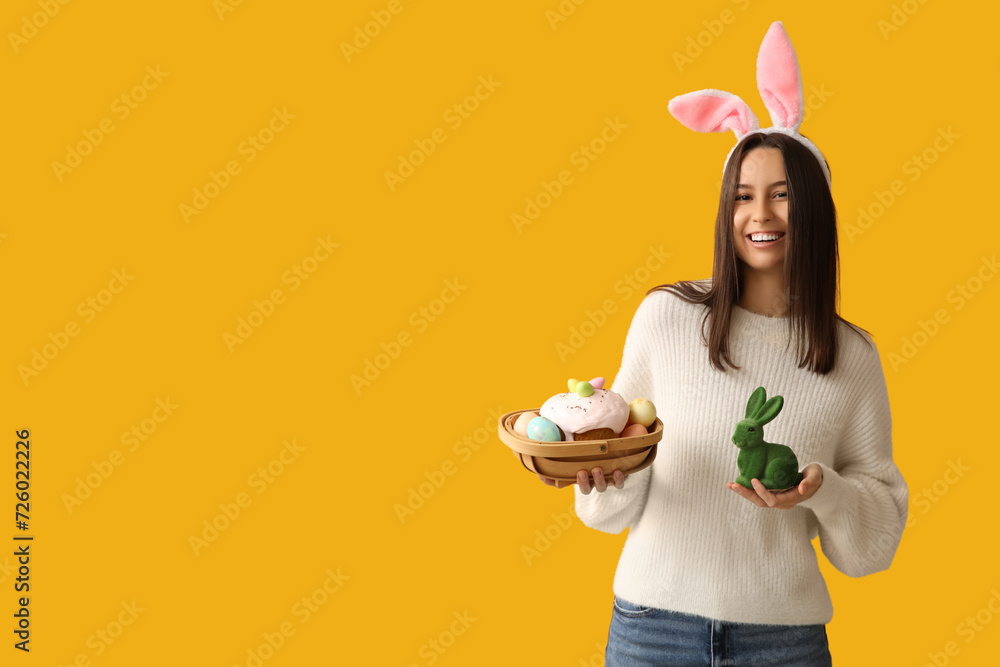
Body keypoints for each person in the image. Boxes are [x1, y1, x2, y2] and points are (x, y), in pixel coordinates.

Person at [538, 22, 908, 667]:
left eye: (782, 195)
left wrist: (821, 489)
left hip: (783, 645)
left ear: (815, 207)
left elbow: (871, 548)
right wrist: (601, 477)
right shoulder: (666, 318)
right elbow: (611, 506)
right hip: (651, 633)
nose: (759, 215)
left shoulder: (851, 358)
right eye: (742, 197)